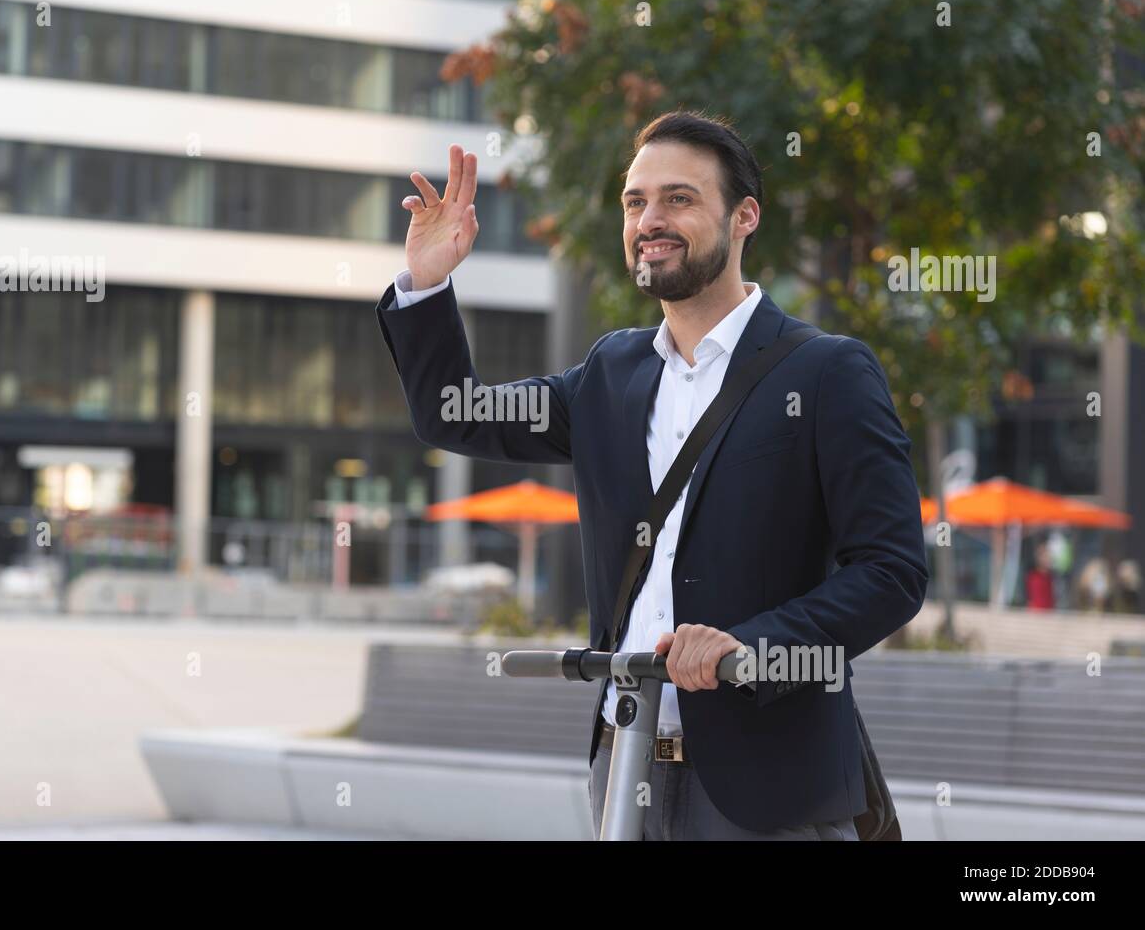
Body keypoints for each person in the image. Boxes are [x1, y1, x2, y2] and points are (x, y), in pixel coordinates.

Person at [376, 111, 928, 840]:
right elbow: (461, 415)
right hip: (623, 769)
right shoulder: (613, 371)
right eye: (636, 203)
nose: (650, 220)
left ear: (744, 217)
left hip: (766, 788)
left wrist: (751, 647)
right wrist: (425, 283)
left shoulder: (828, 372)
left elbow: (891, 572)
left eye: (679, 198)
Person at [1025, 542, 1055, 611]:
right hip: (1037, 614)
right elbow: (1030, 600)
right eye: (1046, 556)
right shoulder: (1033, 577)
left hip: (1049, 613)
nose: (1049, 558)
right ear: (1039, 558)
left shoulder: (1050, 577)